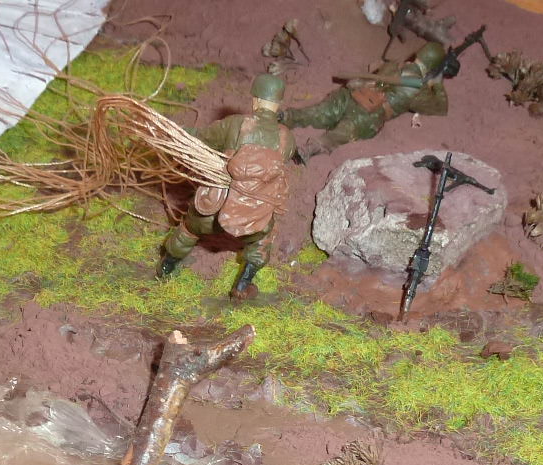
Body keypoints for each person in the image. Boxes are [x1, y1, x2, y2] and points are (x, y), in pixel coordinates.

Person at [157, 72, 297, 300]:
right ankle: (242, 285)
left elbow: (203, 138)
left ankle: (166, 267)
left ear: (255, 100)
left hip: (215, 207)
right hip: (255, 217)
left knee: (189, 229)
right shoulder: (287, 138)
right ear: (278, 103)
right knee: (262, 240)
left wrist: (178, 132)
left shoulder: (235, 124)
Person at [281, 41, 453, 153]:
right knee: (343, 132)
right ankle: (310, 149)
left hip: (353, 94)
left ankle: (288, 116)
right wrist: (437, 82)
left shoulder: (396, 64)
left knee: (321, 111)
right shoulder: (418, 91)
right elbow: (441, 108)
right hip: (368, 115)